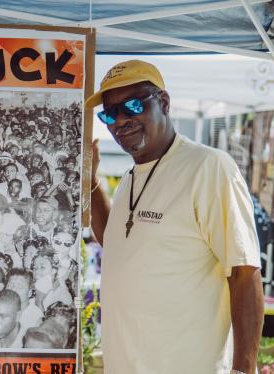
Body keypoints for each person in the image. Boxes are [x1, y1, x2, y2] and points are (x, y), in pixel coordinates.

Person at [87, 59, 263, 374]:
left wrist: (243, 370)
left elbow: (244, 272)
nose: (121, 121)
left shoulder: (208, 167)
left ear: (164, 103)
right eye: (110, 114)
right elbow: (115, 242)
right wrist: (89, 182)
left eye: (132, 105)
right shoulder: (131, 177)